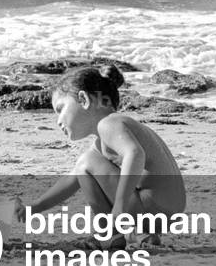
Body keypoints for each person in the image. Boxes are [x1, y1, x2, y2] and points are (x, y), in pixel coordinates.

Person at [18, 66, 185, 250]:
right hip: (165, 212)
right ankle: (144, 234)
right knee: (87, 164)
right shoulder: (108, 136)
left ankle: (110, 235)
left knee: (86, 163)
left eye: (60, 109)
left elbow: (135, 154)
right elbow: (71, 179)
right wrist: (35, 207)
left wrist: (119, 205)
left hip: (152, 208)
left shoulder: (109, 124)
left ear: (83, 99)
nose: (58, 120)